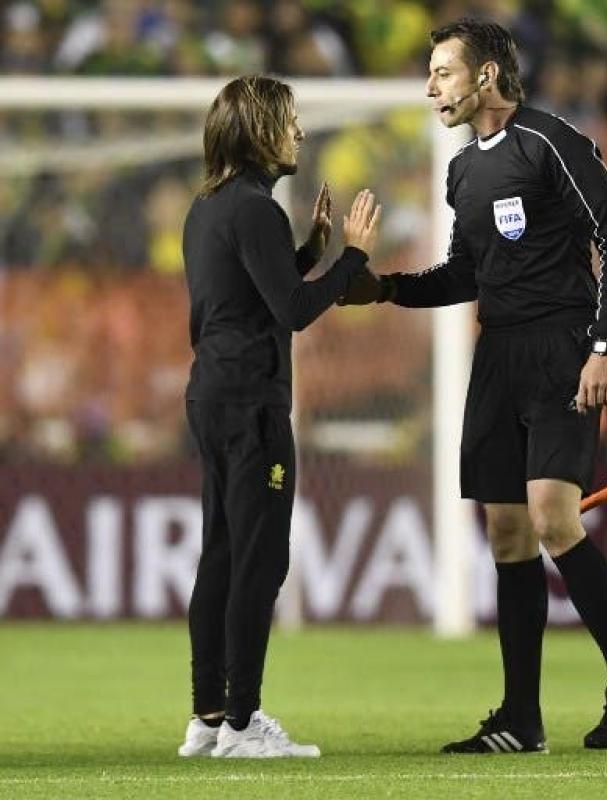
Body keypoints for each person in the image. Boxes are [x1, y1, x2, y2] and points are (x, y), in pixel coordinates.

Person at [340, 19, 607, 753]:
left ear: (485, 76)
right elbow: (466, 274)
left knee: (554, 519)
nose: (430, 88)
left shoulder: (551, 141)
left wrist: (605, 345)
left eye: (443, 72)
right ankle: (521, 717)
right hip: (499, 356)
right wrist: (386, 289)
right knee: (508, 533)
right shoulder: (461, 170)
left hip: (563, 348)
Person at [176, 75, 381, 759]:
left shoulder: (209, 205)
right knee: (260, 561)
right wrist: (352, 256)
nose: (298, 133)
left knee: (222, 553)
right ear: (261, 131)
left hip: (211, 394)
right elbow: (293, 311)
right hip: (251, 401)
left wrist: (311, 253)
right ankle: (242, 723)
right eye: (289, 121)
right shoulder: (258, 210)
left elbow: (254, 293)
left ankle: (208, 718)